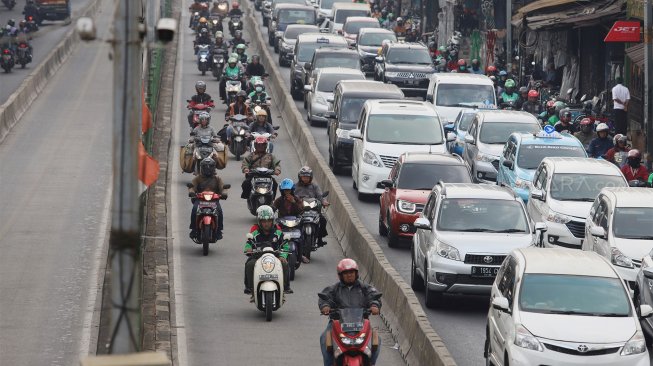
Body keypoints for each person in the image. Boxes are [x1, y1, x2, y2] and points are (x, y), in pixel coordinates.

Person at [319, 259, 382, 366]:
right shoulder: (334, 289)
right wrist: (325, 306)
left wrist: (374, 305)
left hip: (361, 324)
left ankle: (371, 363)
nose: (349, 275)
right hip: (337, 323)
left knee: (377, 340)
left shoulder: (365, 288)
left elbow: (374, 296)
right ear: (340, 275)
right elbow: (325, 298)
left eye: (351, 272)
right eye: (346, 273)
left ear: (356, 273)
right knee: (324, 339)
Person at [244, 205, 292, 300]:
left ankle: (285, 287)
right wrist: (249, 249)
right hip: (258, 257)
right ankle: (250, 288)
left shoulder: (278, 233)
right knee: (249, 264)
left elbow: (285, 246)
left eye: (269, 221)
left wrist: (282, 256)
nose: (266, 224)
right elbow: (248, 244)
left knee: (285, 264)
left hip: (276, 257)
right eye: (264, 221)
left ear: (272, 221)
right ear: (260, 222)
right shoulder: (255, 233)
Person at [188, 157, 225, 240]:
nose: (208, 169)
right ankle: (193, 229)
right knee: (194, 210)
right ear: (202, 167)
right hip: (200, 200)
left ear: (213, 167)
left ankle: (219, 230)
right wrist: (192, 192)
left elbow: (223, 187)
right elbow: (192, 186)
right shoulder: (197, 178)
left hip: (214, 201)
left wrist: (224, 193)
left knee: (219, 211)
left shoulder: (217, 179)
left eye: (210, 166)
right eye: (205, 167)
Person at [294, 166, 329, 248]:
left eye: (307, 177)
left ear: (311, 177)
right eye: (304, 177)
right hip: (300, 209)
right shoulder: (295, 186)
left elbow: (320, 196)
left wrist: (324, 201)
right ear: (300, 177)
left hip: (313, 210)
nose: (305, 179)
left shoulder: (314, 186)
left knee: (323, 220)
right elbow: (292, 196)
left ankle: (319, 239)